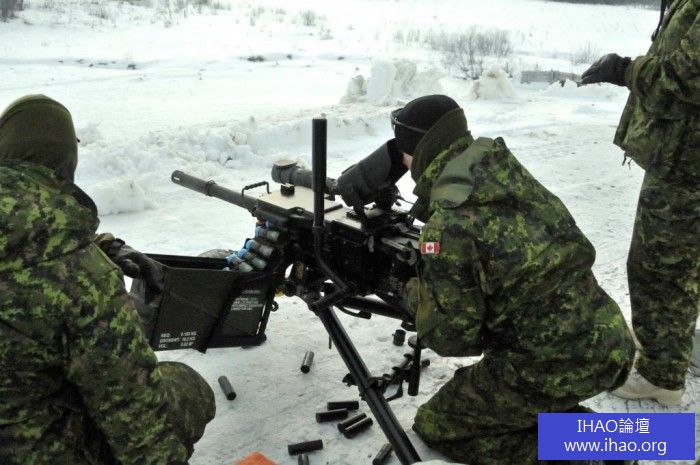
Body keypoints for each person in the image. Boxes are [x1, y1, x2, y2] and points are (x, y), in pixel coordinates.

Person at [394, 95, 635, 465]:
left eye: (403, 150)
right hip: (609, 338)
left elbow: (452, 338)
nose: (401, 160)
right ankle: (627, 441)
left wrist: (413, 292)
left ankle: (595, 457)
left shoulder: (449, 223)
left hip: (557, 360)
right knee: (517, 404)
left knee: (438, 423)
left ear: (420, 150)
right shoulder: (503, 174)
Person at [0, 94, 215, 465]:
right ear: (66, 162)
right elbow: (140, 428)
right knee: (186, 386)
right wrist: (90, 265)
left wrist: (104, 247)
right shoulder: (82, 280)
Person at [581, 0, 699, 404]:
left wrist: (624, 69)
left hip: (687, 166)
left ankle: (661, 376)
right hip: (681, 157)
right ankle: (666, 345)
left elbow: (685, 77)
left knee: (660, 269)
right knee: (678, 265)